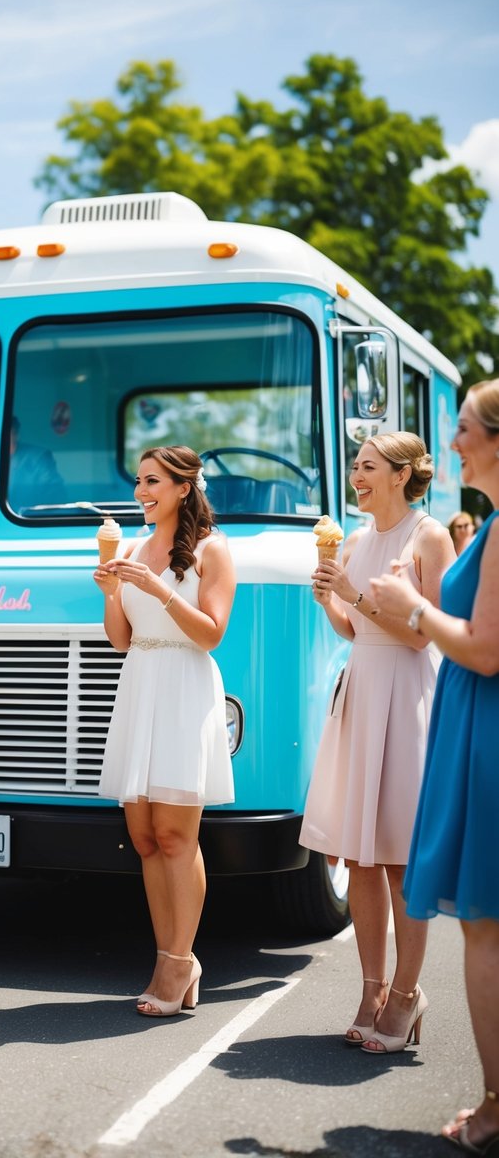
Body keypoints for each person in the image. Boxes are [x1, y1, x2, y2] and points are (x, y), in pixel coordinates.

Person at [370, 380, 499, 1152]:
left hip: (483, 725)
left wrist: (410, 608)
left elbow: (484, 650)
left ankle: (492, 1108)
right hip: (471, 720)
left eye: (461, 428)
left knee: (483, 926)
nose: (449, 443)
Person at [299, 432, 455, 1054]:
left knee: (398, 861)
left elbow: (423, 635)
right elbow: (355, 626)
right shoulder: (357, 540)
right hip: (361, 690)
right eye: (355, 466)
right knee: (360, 857)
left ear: (398, 474)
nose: (355, 476)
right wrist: (329, 602)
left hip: (408, 695)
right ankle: (372, 989)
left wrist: (353, 595)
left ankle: (408, 994)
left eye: (366, 467)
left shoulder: (430, 536)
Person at [94, 446, 236, 1017]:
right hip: (140, 683)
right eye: (137, 481)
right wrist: (110, 593)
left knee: (179, 838)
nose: (140, 491)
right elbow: (120, 639)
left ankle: (180, 959)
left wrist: (158, 589)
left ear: (183, 487)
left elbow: (211, 634)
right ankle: (168, 955)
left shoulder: (212, 550)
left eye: (151, 482)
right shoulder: (132, 547)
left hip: (183, 688)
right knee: (146, 838)